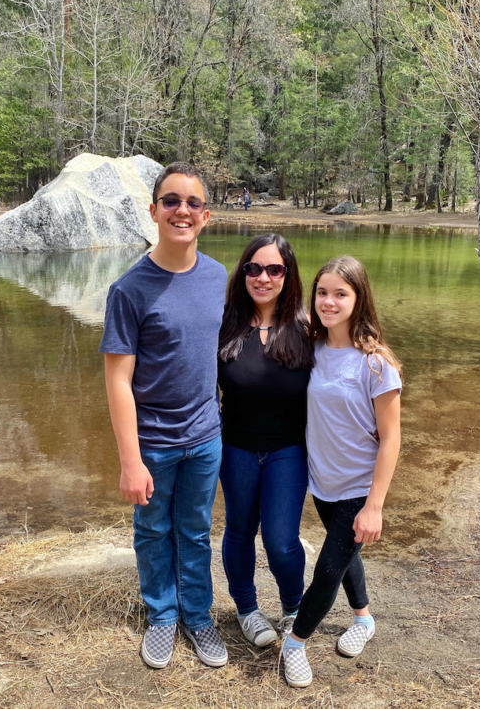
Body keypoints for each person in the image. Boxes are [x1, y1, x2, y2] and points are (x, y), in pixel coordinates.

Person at [100, 162, 228, 670]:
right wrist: (131, 461)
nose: (182, 211)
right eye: (171, 201)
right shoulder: (129, 289)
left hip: (204, 436)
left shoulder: (218, 276)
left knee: (195, 531)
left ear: (206, 215)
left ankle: (197, 617)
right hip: (151, 440)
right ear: (153, 211)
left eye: (192, 203)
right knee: (153, 531)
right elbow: (117, 381)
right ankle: (161, 616)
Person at [281, 255, 402, 689]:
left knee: (329, 568)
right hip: (323, 483)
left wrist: (374, 506)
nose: (329, 302)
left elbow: (391, 439)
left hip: (358, 487)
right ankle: (363, 619)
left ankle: (295, 643)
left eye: (340, 293)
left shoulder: (375, 363)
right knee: (345, 557)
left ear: (359, 297)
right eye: (322, 293)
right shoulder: (311, 348)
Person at [217, 234, 313, 649]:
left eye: (274, 269)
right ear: (243, 273)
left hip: (287, 449)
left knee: (280, 540)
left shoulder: (309, 327)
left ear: (287, 275)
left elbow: (348, 361)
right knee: (239, 530)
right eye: (253, 268)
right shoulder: (224, 323)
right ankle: (247, 609)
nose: (262, 277)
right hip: (235, 446)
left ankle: (294, 607)